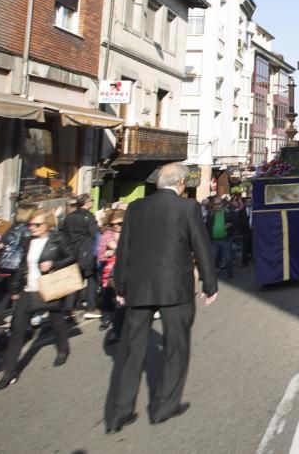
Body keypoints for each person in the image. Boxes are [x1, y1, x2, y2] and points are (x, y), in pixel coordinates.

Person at [104, 163, 218, 433]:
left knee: (131, 350)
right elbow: (200, 246)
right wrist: (209, 283)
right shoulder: (187, 208)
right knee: (176, 346)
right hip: (174, 288)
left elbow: (124, 249)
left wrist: (120, 285)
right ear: (180, 184)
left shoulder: (136, 208)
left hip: (138, 288)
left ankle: (119, 413)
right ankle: (164, 406)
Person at [0, 209, 76, 390]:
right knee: (17, 330)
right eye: (30, 224)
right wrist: (15, 289)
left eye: (37, 225)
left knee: (56, 322)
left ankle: (63, 349)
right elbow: (23, 266)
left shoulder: (58, 239)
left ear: (47, 224)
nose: (32, 228)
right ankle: (9, 373)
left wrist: (54, 264)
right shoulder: (27, 241)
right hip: (27, 290)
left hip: (48, 288)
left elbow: (72, 257)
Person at [62, 193, 100, 318]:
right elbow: (95, 234)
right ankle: (91, 307)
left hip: (72, 252)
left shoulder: (69, 217)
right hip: (86, 251)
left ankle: (69, 309)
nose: (92, 203)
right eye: (92, 200)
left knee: (75, 280)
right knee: (91, 279)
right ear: (86, 202)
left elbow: (64, 234)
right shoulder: (88, 217)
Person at [97, 210, 125, 345]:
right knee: (112, 299)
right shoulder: (107, 235)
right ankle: (112, 325)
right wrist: (108, 253)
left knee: (123, 302)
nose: (117, 226)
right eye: (113, 224)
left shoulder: (132, 232)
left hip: (127, 271)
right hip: (110, 273)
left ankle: (119, 329)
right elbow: (100, 255)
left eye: (120, 223)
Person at [205, 197, 235, 278]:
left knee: (228, 258)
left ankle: (230, 272)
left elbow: (235, 222)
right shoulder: (210, 214)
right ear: (212, 205)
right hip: (214, 241)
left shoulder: (228, 212)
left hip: (225, 239)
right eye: (215, 204)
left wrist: (230, 224)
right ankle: (213, 273)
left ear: (222, 204)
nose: (217, 206)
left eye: (219, 204)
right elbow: (207, 227)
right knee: (212, 257)